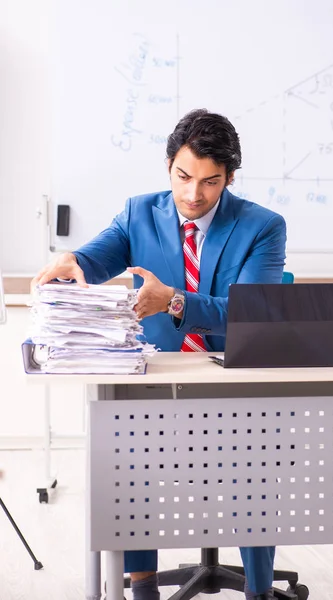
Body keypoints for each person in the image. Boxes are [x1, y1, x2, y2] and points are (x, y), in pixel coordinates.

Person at [32, 109, 287, 600]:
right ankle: (141, 585)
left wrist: (173, 300)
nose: (194, 195)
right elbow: (95, 258)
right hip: (156, 374)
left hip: (234, 381)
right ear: (169, 165)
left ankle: (259, 590)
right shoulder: (138, 212)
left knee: (251, 470)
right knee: (127, 452)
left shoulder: (262, 226)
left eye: (210, 183)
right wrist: (72, 261)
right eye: (184, 177)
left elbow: (252, 314)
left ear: (230, 178)